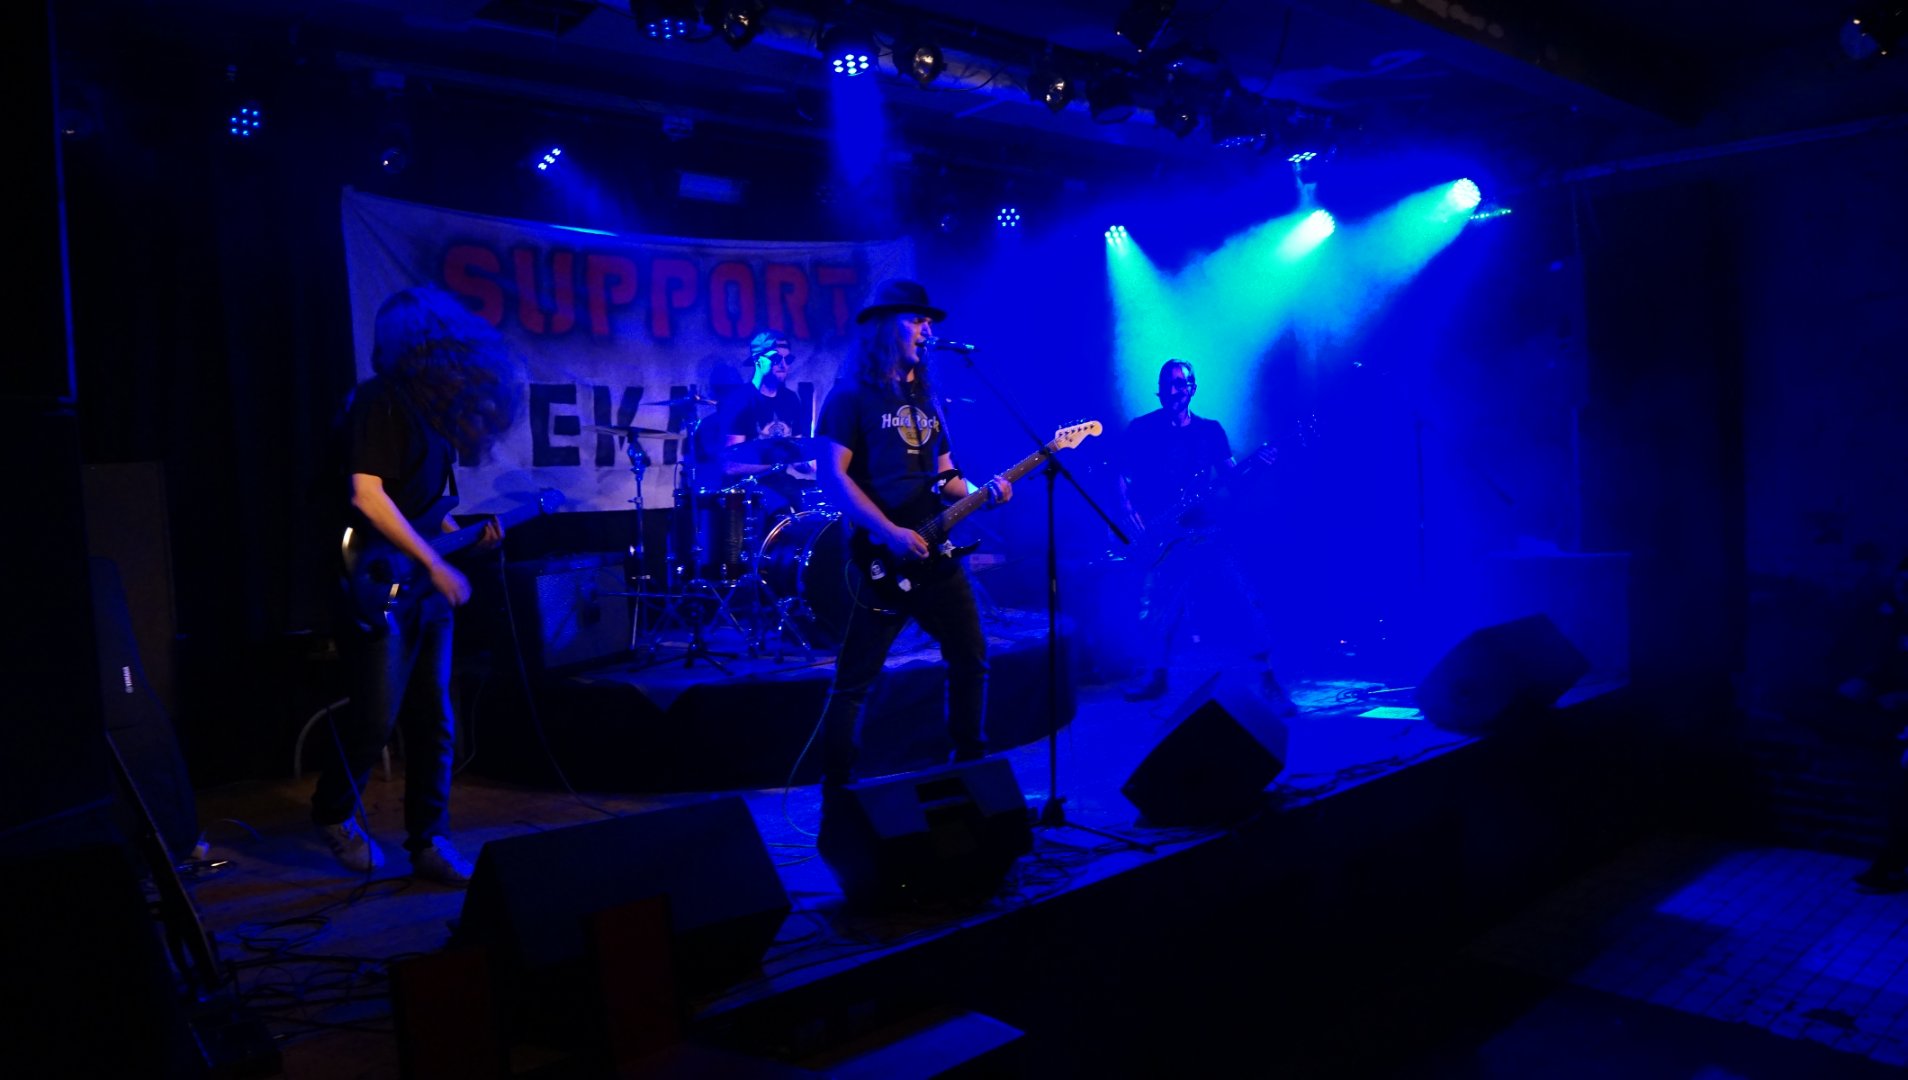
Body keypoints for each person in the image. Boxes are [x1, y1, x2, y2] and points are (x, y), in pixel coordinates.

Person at [311, 286, 522, 886]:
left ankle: (429, 841)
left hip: (421, 588)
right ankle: (332, 811)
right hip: (377, 581)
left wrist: (462, 539)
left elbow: (424, 511)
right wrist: (434, 562)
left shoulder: (432, 415)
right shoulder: (378, 400)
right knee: (376, 716)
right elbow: (367, 495)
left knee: (435, 718)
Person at [814, 279, 1010, 789]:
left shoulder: (927, 400)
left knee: (971, 657)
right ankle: (838, 785)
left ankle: (971, 765)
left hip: (936, 553)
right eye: (916, 320)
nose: (927, 330)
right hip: (882, 555)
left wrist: (984, 491)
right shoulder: (850, 396)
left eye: (928, 322)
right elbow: (831, 477)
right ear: (885, 327)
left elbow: (947, 478)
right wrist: (889, 531)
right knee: (855, 679)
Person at [1116, 358, 1295, 712]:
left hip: (1204, 533)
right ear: (1159, 390)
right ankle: (1156, 678)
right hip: (1162, 533)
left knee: (1244, 602)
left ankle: (1268, 679)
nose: (1174, 390)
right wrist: (1127, 509)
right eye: (1168, 384)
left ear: (1192, 389)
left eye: (1181, 384)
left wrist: (1259, 467)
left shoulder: (1210, 431)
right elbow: (1121, 474)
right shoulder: (1142, 429)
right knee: (1159, 611)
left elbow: (1234, 483)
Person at [1842, 554, 1908, 893]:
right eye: (1900, 583)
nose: (1903, 590)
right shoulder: (1894, 618)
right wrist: (1866, 681)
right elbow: (1885, 662)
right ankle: (1892, 863)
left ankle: (1892, 864)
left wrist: (1904, 697)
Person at [723, 330, 816, 510]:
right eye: (776, 358)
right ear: (757, 360)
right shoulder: (739, 401)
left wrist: (814, 463)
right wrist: (775, 464)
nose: (783, 364)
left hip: (782, 483)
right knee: (782, 505)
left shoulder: (791, 399)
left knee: (821, 500)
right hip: (747, 490)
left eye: (788, 359)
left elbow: (795, 455)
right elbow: (730, 466)